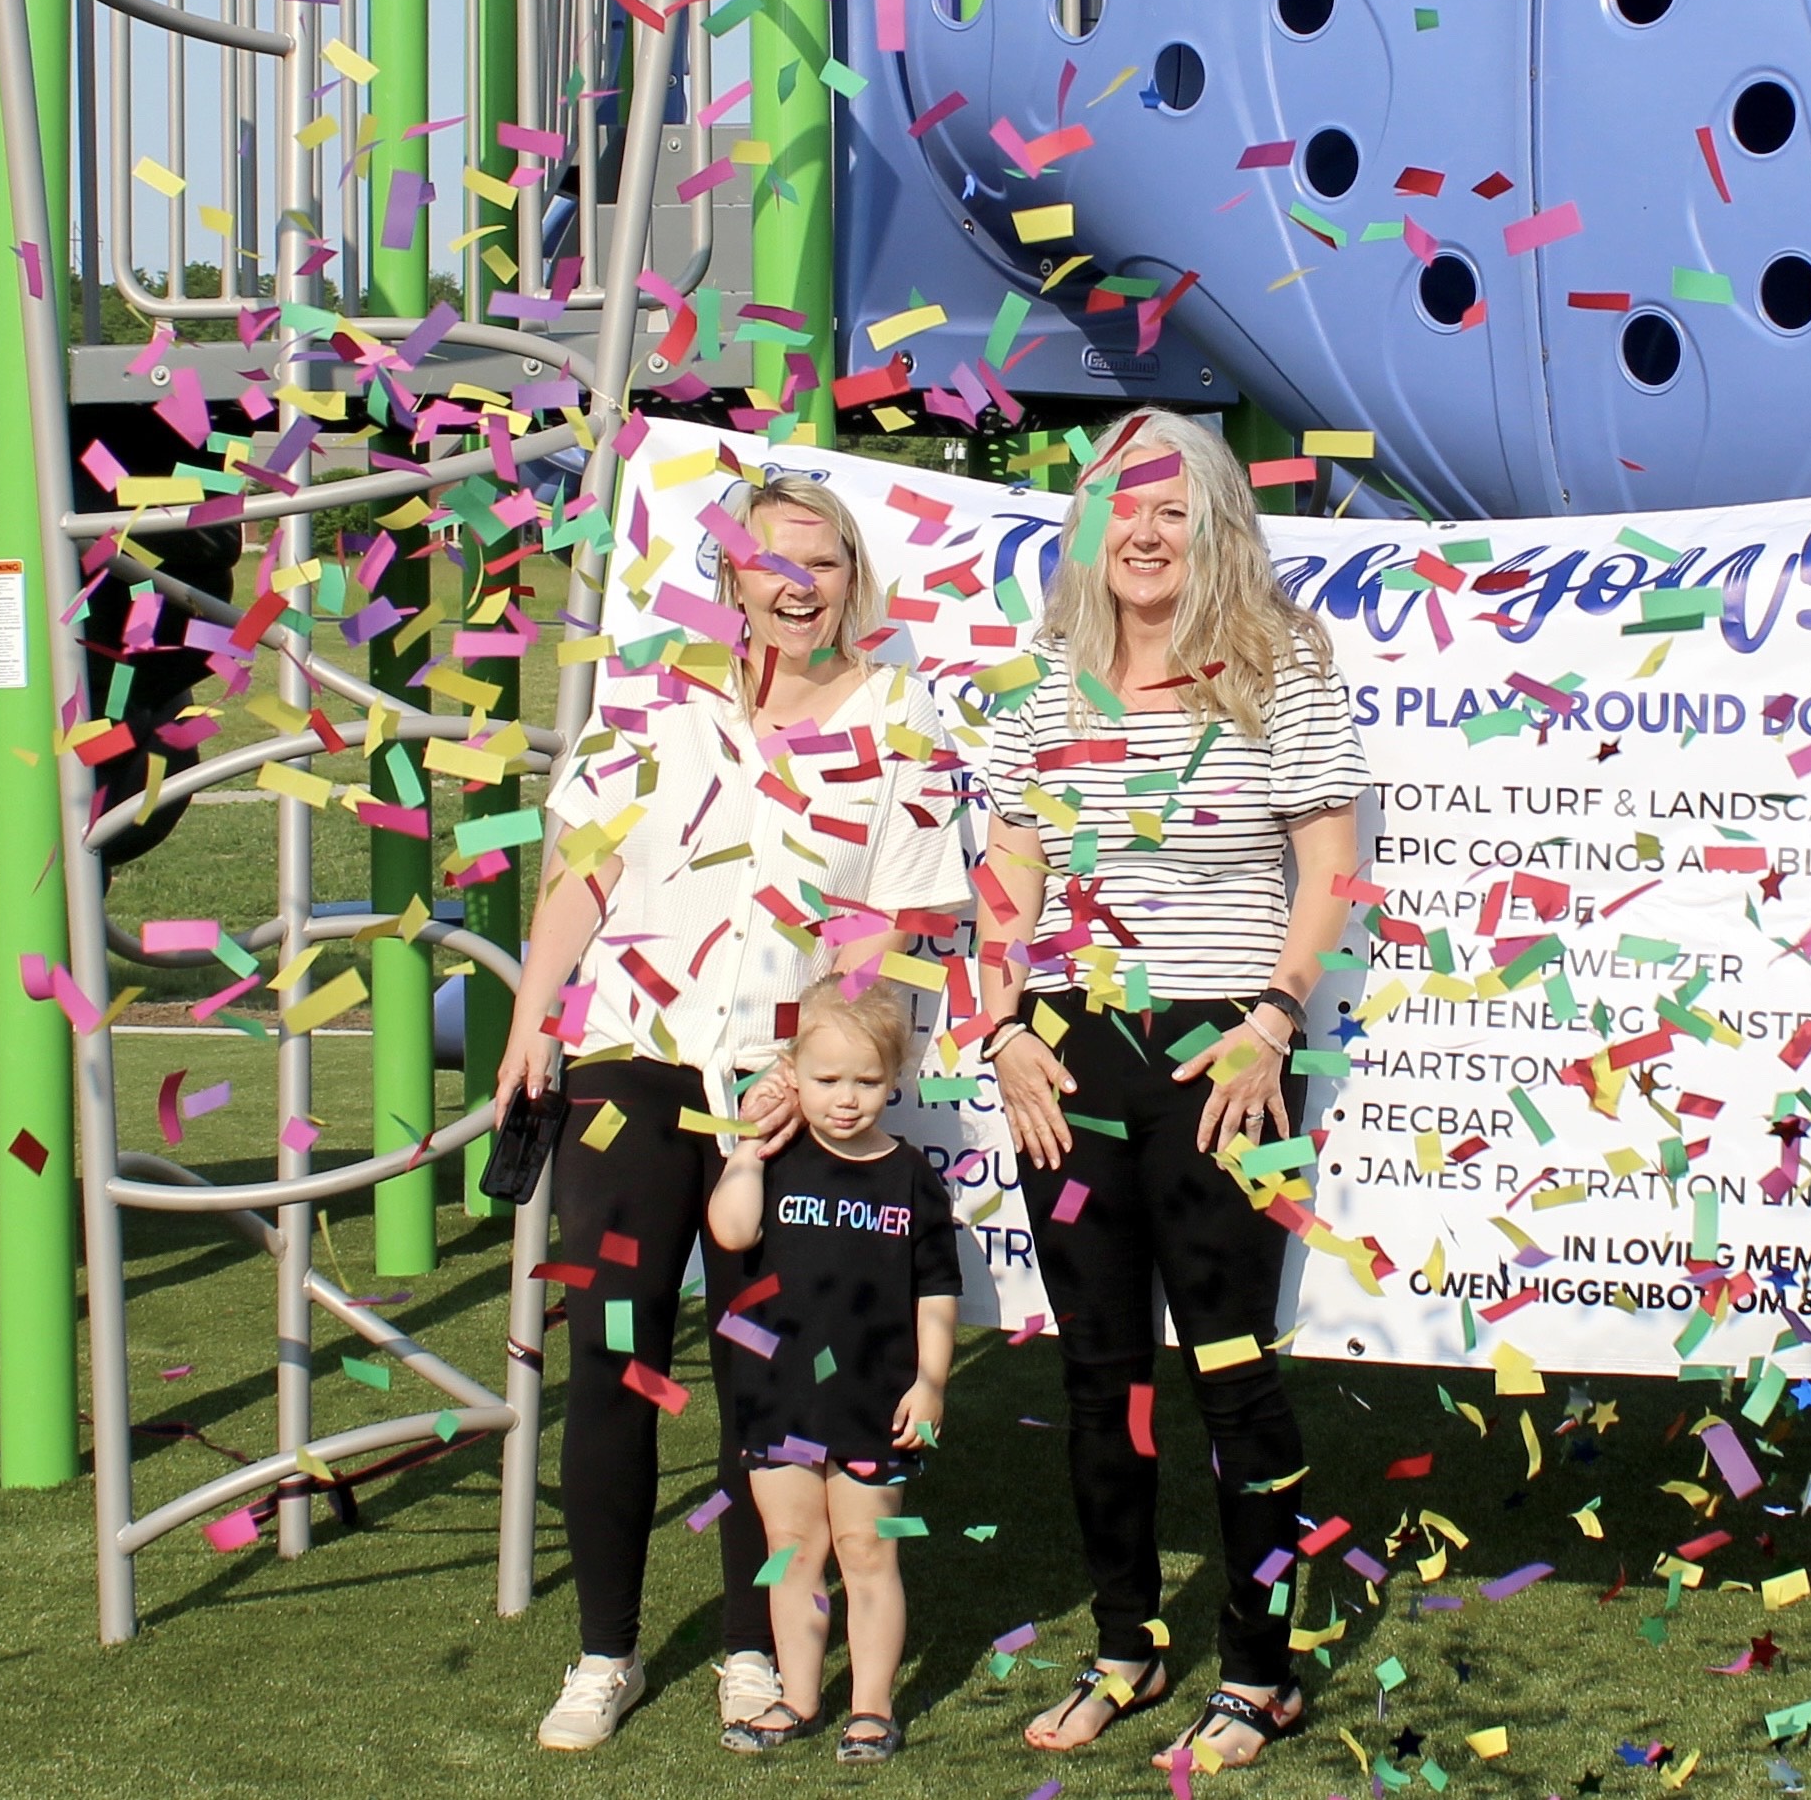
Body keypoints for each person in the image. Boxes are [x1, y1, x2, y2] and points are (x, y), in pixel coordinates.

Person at [495, 472, 971, 1753]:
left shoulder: (900, 719)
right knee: (613, 1352)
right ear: (735, 576)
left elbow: (901, 925)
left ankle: (754, 1652)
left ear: (852, 583)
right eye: (776, 563)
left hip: (787, 1086)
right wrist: (533, 1022)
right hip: (631, 1062)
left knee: (767, 1372)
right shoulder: (652, 696)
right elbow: (577, 876)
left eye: (825, 563)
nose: (799, 585)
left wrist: (814, 1064)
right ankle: (605, 1653)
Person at [976, 408, 1365, 1771]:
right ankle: (1127, 1644)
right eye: (1116, 506)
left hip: (1223, 1056)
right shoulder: (1047, 677)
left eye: (1170, 507)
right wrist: (1004, 1024)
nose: (1141, 532)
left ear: (1212, 523)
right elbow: (1006, 869)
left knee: (1232, 1370)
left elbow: (1331, 870)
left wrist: (1271, 1017)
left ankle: (1261, 1673)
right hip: (1067, 1057)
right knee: (1101, 1374)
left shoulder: (1281, 666)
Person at [706, 980, 962, 1764]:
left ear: (895, 1078)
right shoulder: (775, 1159)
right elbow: (729, 1228)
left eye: (865, 1081)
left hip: (873, 1402)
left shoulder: (911, 1176)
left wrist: (931, 1382)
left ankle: (873, 1707)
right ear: (792, 1072)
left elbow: (937, 1292)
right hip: (777, 1398)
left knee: (866, 1549)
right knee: (792, 1544)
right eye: (825, 1080)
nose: (846, 1100)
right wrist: (748, 1149)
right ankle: (798, 1696)